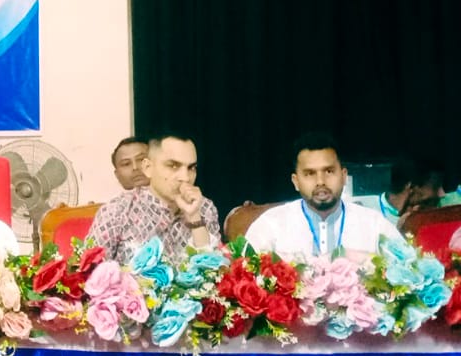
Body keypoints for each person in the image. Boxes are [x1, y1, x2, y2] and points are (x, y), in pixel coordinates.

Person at [244, 133, 399, 260]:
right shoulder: (271, 225)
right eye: (310, 173)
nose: (320, 181)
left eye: (329, 171)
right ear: (296, 182)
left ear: (344, 176)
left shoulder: (374, 224)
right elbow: (244, 275)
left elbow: (408, 272)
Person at [85, 133, 220, 263]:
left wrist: (194, 217)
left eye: (191, 168)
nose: (185, 177)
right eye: (173, 166)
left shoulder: (205, 208)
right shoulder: (116, 211)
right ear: (148, 168)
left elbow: (214, 272)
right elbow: (88, 272)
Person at [378, 157, 444, 224]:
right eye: (436, 186)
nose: (442, 194)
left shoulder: (436, 213)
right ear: (411, 185)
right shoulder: (372, 213)